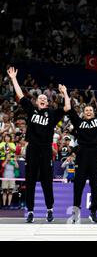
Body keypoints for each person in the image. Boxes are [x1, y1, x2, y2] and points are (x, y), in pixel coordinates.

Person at [7, 67, 70, 223]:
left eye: (45, 98)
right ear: (36, 101)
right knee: (30, 181)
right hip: (33, 149)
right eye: (40, 97)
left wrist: (65, 93)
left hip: (46, 150)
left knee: (47, 182)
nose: (42, 98)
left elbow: (67, 107)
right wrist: (14, 79)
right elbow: (20, 95)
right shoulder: (32, 110)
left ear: (47, 102)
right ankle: (30, 211)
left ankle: (49, 209)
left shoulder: (53, 113)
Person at [67, 91, 97, 224]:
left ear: (94, 112)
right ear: (83, 112)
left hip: (94, 154)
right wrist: (65, 93)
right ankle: (75, 213)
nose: (88, 112)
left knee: (95, 185)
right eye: (86, 110)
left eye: (90, 110)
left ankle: (93, 212)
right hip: (81, 154)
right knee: (78, 185)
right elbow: (70, 111)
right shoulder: (79, 122)